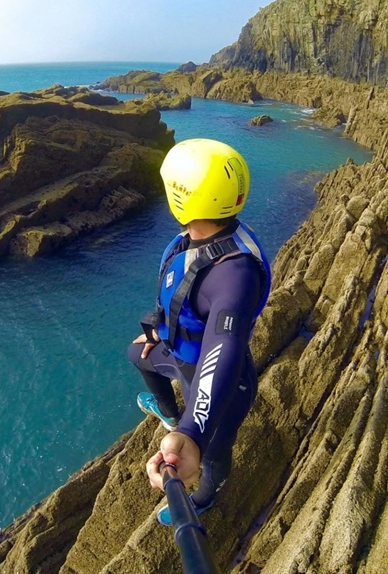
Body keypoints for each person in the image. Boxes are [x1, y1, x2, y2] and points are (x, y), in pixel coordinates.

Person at [127, 138, 271, 526]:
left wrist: (193, 431)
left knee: (213, 453)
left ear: (182, 198)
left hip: (220, 379)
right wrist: (157, 333)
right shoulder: (195, 239)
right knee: (136, 354)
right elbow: (183, 298)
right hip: (179, 354)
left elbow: (224, 345)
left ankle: (205, 497)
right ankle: (170, 414)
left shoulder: (234, 274)